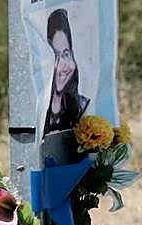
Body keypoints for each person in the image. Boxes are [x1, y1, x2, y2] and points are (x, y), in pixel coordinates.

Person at [43, 8, 90, 136]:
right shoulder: (37, 110)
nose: (62, 66)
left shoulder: (82, 106)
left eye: (66, 54)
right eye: (55, 55)